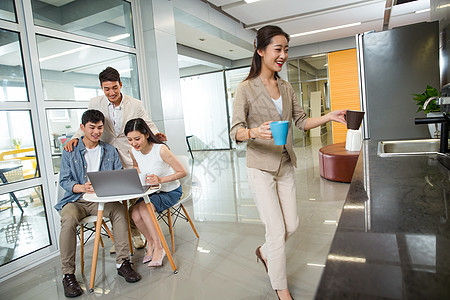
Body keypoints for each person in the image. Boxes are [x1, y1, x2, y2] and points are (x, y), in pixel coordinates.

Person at [230, 25, 346, 300]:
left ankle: (264, 251)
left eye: (286, 50)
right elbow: (235, 131)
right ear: (260, 51)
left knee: (291, 225)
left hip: (284, 164)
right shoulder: (245, 89)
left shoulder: (286, 86)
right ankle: (281, 288)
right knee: (276, 229)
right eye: (277, 49)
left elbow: (302, 122)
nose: (283, 55)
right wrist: (254, 132)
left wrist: (328, 116)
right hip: (259, 166)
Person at [64, 66, 167, 250]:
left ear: (121, 85)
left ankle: (134, 233)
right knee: (114, 198)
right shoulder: (96, 102)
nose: (111, 92)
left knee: (134, 195)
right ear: (102, 88)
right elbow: (87, 124)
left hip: (130, 153)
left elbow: (147, 123)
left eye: (114, 88)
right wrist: (73, 138)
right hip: (107, 156)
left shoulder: (135, 104)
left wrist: (156, 135)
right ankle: (121, 238)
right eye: (106, 89)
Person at [55, 109, 141, 298]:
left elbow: (118, 175)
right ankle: (67, 274)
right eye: (92, 127)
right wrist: (81, 187)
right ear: (82, 128)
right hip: (76, 201)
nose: (96, 131)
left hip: (101, 200)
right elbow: (64, 181)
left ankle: (123, 263)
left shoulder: (109, 150)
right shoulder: (71, 150)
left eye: (100, 127)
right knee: (68, 220)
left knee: (119, 211)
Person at [124, 118, 186, 267]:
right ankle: (150, 242)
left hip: (170, 191)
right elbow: (135, 165)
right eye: (130, 140)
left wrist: (160, 179)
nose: (134, 143)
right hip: (150, 192)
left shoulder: (161, 149)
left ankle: (159, 248)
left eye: (137, 139)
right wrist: (138, 177)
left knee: (145, 211)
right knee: (134, 213)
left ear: (146, 134)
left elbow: (182, 172)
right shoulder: (133, 151)